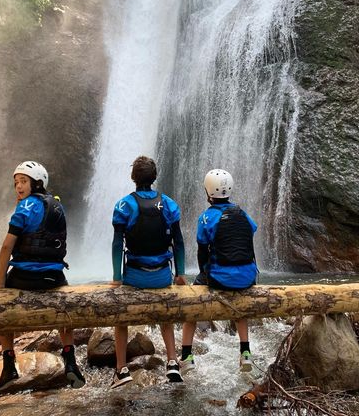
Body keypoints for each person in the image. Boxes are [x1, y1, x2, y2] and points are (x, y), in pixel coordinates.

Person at [0, 160, 86, 391]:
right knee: (65, 313)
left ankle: (9, 365)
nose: (19, 187)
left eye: (23, 181)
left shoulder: (24, 208)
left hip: (24, 278)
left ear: (37, 183)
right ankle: (71, 363)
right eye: (16, 183)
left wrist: (0, 283)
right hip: (54, 277)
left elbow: (7, 247)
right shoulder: (57, 206)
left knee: (1, 310)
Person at [110, 155, 187, 388]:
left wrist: (117, 278)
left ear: (133, 178)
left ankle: (121, 369)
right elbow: (179, 242)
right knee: (166, 316)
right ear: (154, 177)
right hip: (162, 275)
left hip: (134, 276)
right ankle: (173, 361)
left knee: (121, 318)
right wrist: (180, 273)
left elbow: (116, 244)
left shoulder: (124, 205)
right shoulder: (170, 204)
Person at [180, 169, 258, 374]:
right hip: (248, 277)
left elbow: (201, 251)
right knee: (241, 306)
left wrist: (203, 276)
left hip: (219, 277)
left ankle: (186, 356)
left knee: (191, 304)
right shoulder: (243, 213)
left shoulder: (207, 217)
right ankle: (245, 352)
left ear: (208, 191)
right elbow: (251, 231)